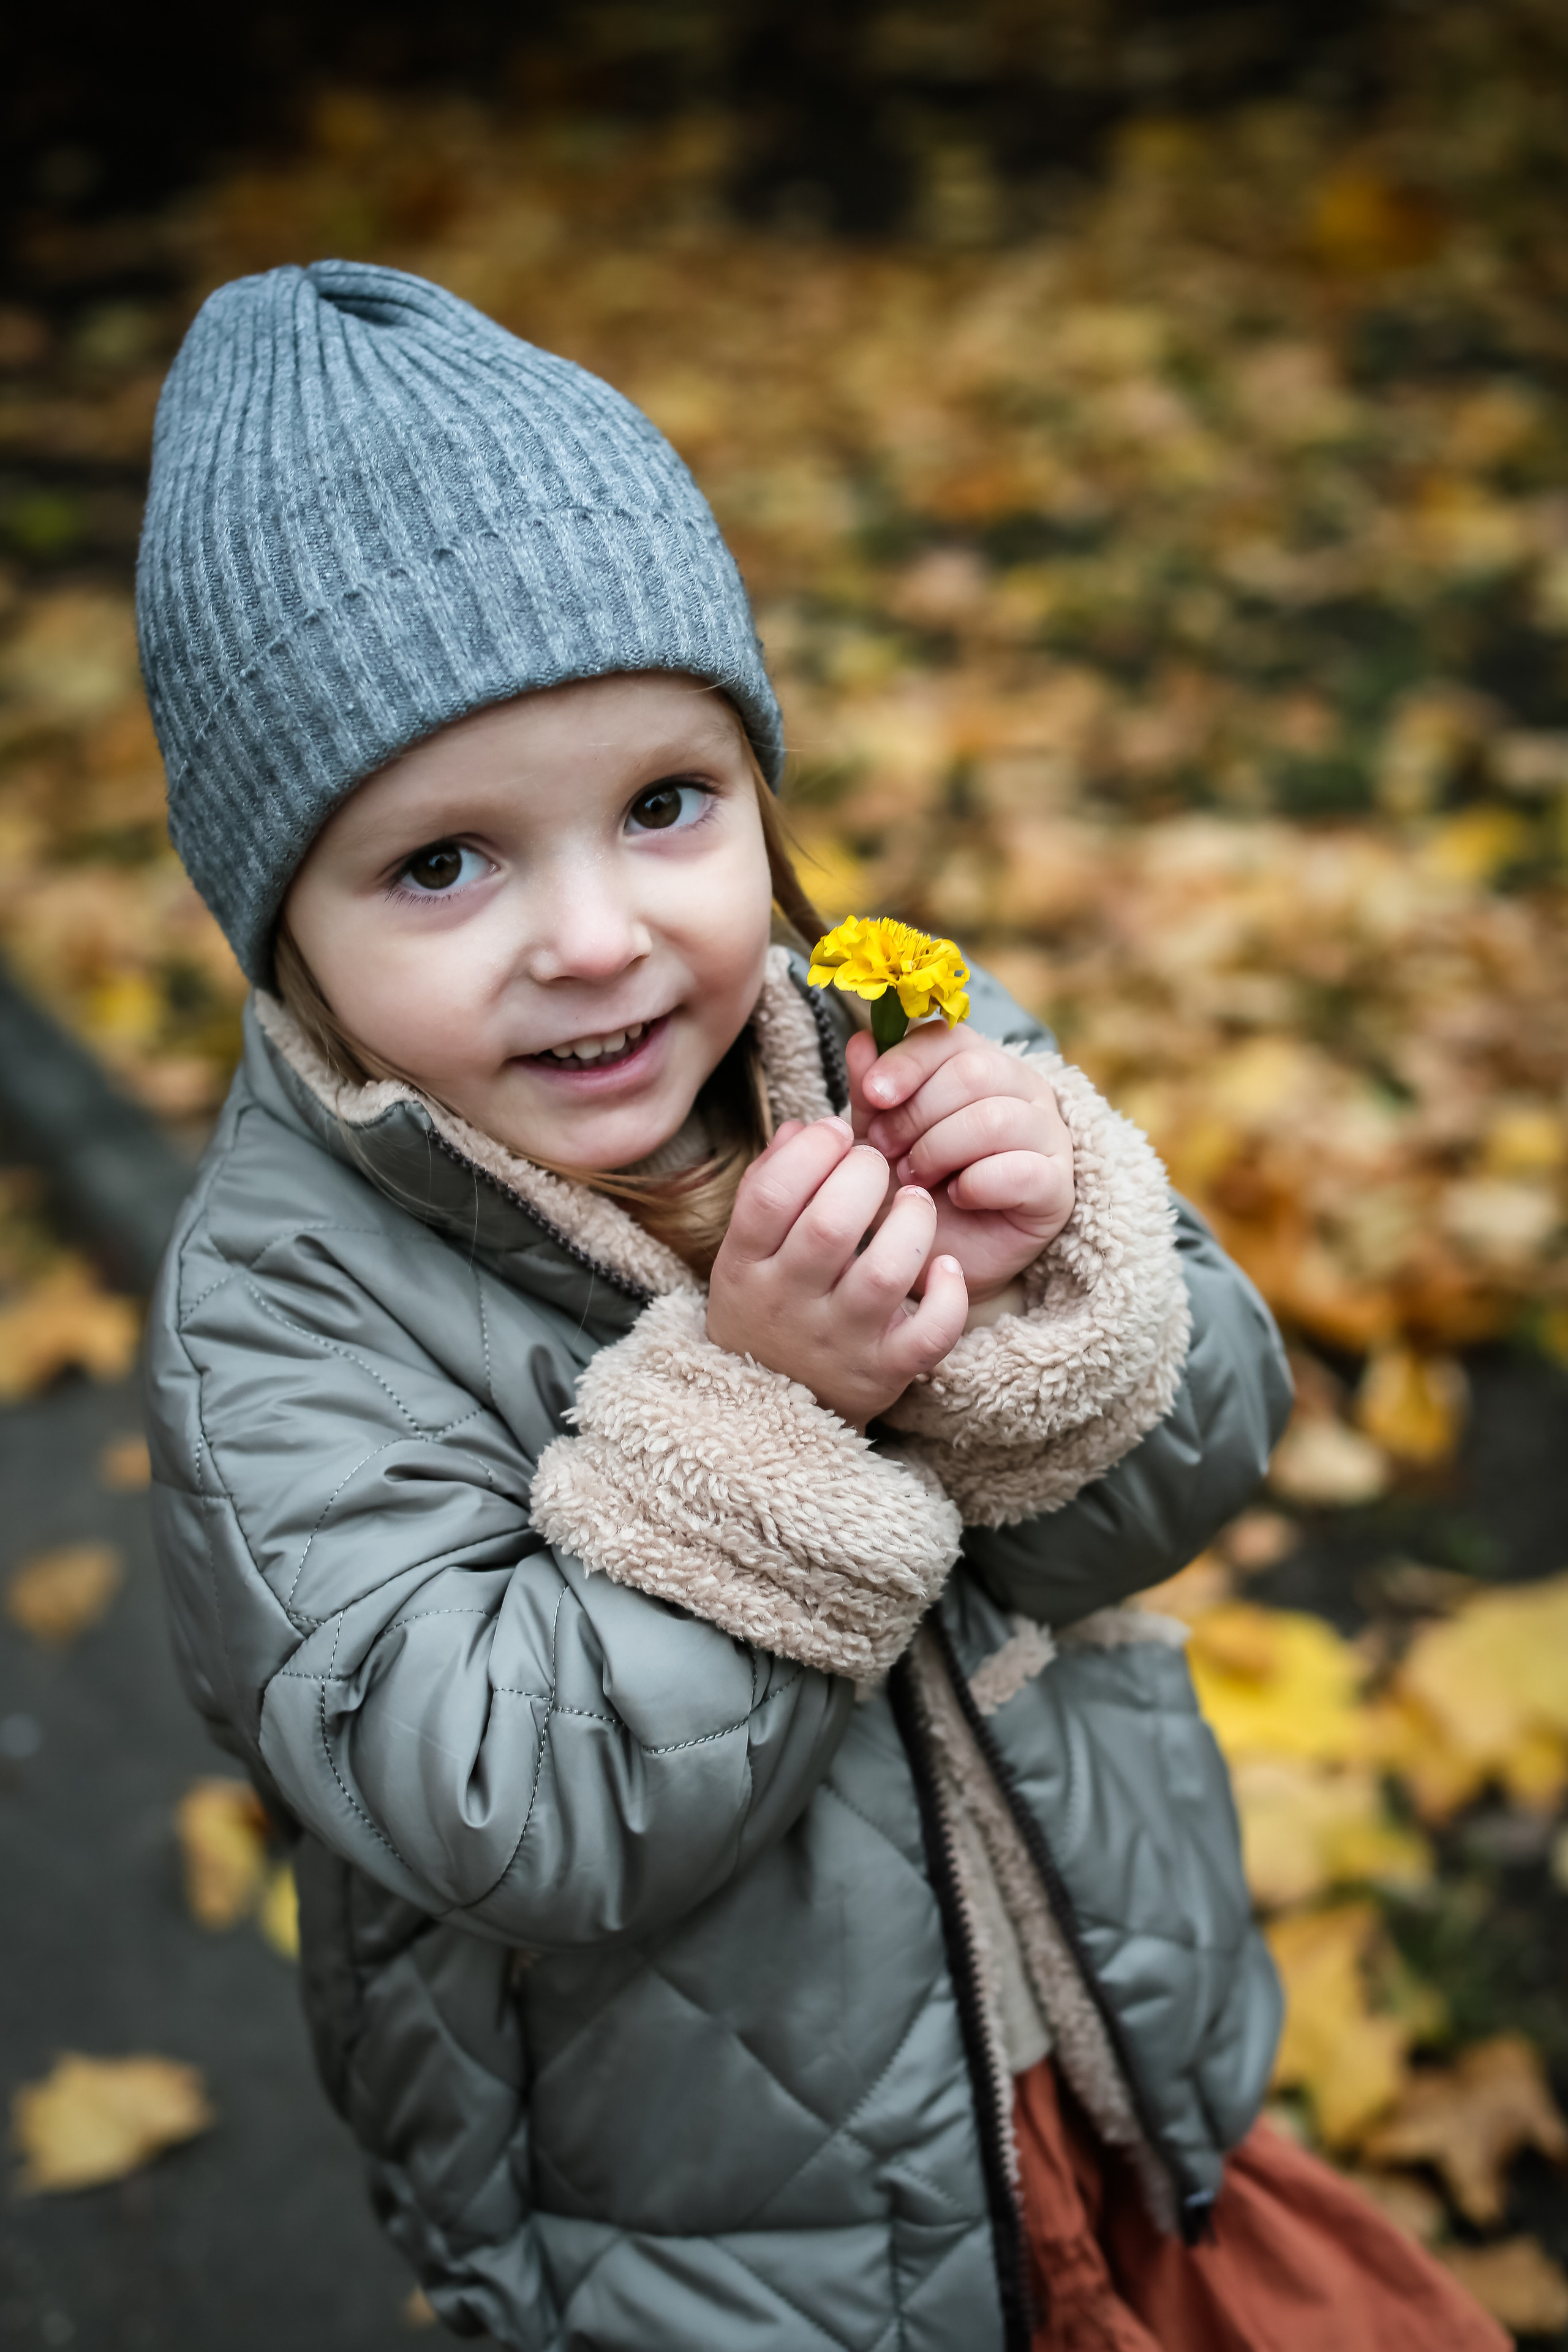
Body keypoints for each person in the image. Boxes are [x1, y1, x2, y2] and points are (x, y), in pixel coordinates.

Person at [137, 261, 1505, 2352]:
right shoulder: (282, 1316)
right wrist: (768, 1412)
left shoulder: (875, 1039)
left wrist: (1040, 1285)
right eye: (443, 867)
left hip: (1111, 2061)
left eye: (664, 807)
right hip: (720, 2242)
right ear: (278, 929)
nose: (594, 939)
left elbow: (1200, 1457)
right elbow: (507, 1807)